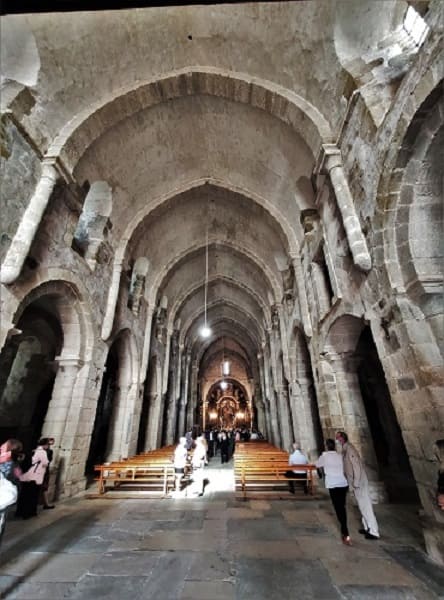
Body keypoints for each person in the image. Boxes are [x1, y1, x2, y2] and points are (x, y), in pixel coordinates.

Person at [336, 431, 380, 540]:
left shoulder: (350, 449)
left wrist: (356, 482)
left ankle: (374, 531)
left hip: (359, 481)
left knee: (366, 505)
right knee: (361, 505)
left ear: (343, 438)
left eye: (338, 438)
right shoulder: (345, 449)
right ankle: (367, 527)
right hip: (354, 482)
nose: (337, 440)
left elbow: (356, 467)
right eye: (337, 438)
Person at [316, 439, 352, 545]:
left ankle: (344, 530)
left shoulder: (325, 456)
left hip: (333, 483)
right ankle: (345, 529)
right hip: (342, 483)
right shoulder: (340, 455)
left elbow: (317, 465)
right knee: (342, 506)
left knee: (338, 506)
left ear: (326, 446)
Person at [16, 438, 50, 519]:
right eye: (48, 444)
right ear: (45, 444)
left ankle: (20, 511)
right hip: (35, 476)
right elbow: (45, 463)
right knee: (32, 495)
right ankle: (28, 512)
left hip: (27, 475)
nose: (48, 446)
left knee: (24, 494)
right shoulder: (42, 452)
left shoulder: (32, 451)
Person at [0, 439, 23, 544]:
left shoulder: (13, 467)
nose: (0, 447)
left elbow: (16, 487)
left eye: (4, 446)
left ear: (9, 451)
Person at [41, 437, 55, 509]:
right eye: (48, 443)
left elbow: (48, 460)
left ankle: (46, 503)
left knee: (44, 487)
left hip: (44, 470)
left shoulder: (49, 451)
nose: (49, 445)